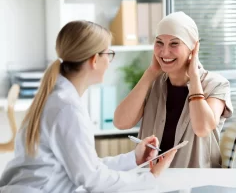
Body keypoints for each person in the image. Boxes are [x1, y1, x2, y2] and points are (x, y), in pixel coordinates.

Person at [0, 21, 177, 193]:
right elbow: (92, 179)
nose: (109, 62)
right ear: (94, 60)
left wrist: (133, 158)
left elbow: (85, 166)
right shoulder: (67, 108)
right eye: (109, 54)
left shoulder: (58, 98)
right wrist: (150, 177)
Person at [114, 11, 233, 168]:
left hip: (194, 183)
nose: (164, 52)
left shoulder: (216, 84)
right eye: (159, 43)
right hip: (151, 179)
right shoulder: (153, 82)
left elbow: (202, 128)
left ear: (193, 49)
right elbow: (121, 123)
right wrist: (149, 74)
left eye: (174, 43)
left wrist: (194, 78)